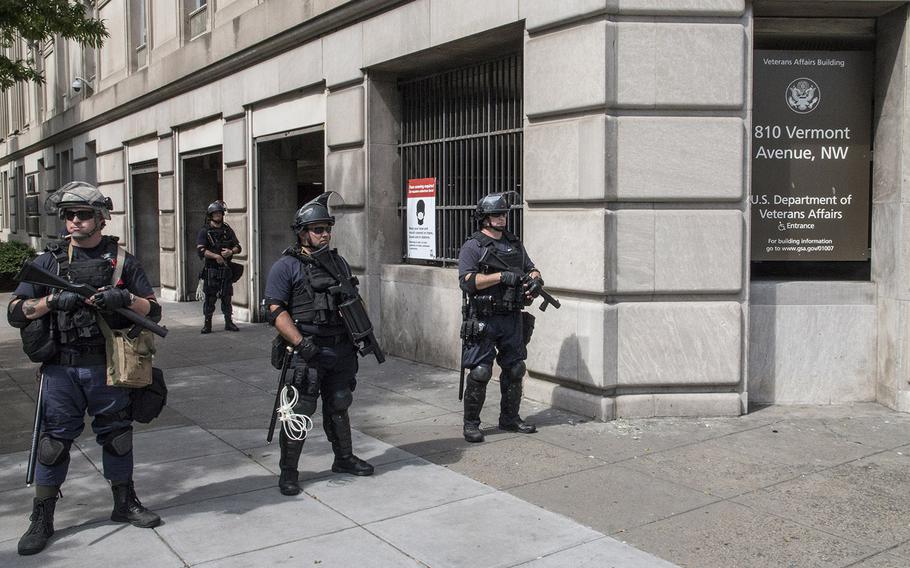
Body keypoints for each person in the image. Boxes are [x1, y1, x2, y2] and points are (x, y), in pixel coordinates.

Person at [6, 182, 163, 556]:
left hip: (108, 366)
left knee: (118, 435)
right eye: (69, 215)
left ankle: (124, 502)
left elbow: (153, 310)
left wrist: (124, 298)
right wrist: (51, 301)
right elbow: (16, 312)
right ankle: (42, 516)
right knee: (52, 443)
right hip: (61, 369)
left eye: (84, 215)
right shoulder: (47, 262)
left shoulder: (123, 262)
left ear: (101, 219)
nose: (74, 221)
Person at [263, 193, 374, 496]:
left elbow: (353, 300)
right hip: (306, 351)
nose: (324, 234)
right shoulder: (286, 266)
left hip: (339, 348)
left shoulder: (337, 262)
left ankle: (344, 458)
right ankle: (288, 472)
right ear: (302, 232)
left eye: (327, 228)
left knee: (339, 403)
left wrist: (361, 333)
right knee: (299, 410)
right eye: (317, 229)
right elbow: (274, 310)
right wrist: (300, 343)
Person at [458, 192, 543, 443]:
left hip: (511, 317)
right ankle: (471, 424)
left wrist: (536, 280)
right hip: (484, 318)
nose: (502, 217)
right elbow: (467, 281)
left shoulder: (514, 243)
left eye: (504, 213)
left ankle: (510, 419)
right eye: (496, 213)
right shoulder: (473, 246)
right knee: (481, 371)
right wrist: (498, 277)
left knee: (516, 368)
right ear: (484, 217)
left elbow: (531, 268)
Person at [196, 200, 241, 333]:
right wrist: (216, 256)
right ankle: (207, 324)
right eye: (215, 213)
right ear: (210, 215)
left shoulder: (227, 230)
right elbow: (201, 250)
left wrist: (230, 252)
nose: (217, 215)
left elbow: (238, 247)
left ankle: (229, 322)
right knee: (210, 299)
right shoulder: (205, 231)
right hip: (212, 270)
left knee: (227, 298)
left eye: (219, 213)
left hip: (226, 269)